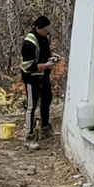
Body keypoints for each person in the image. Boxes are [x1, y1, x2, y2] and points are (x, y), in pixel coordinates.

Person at [21, 15, 59, 144]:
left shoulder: (44, 39)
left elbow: (45, 53)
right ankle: (29, 135)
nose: (46, 32)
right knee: (32, 106)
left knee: (46, 100)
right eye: (44, 29)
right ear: (37, 28)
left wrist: (53, 56)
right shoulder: (29, 43)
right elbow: (26, 66)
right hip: (32, 78)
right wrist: (44, 66)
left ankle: (45, 128)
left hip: (44, 76)